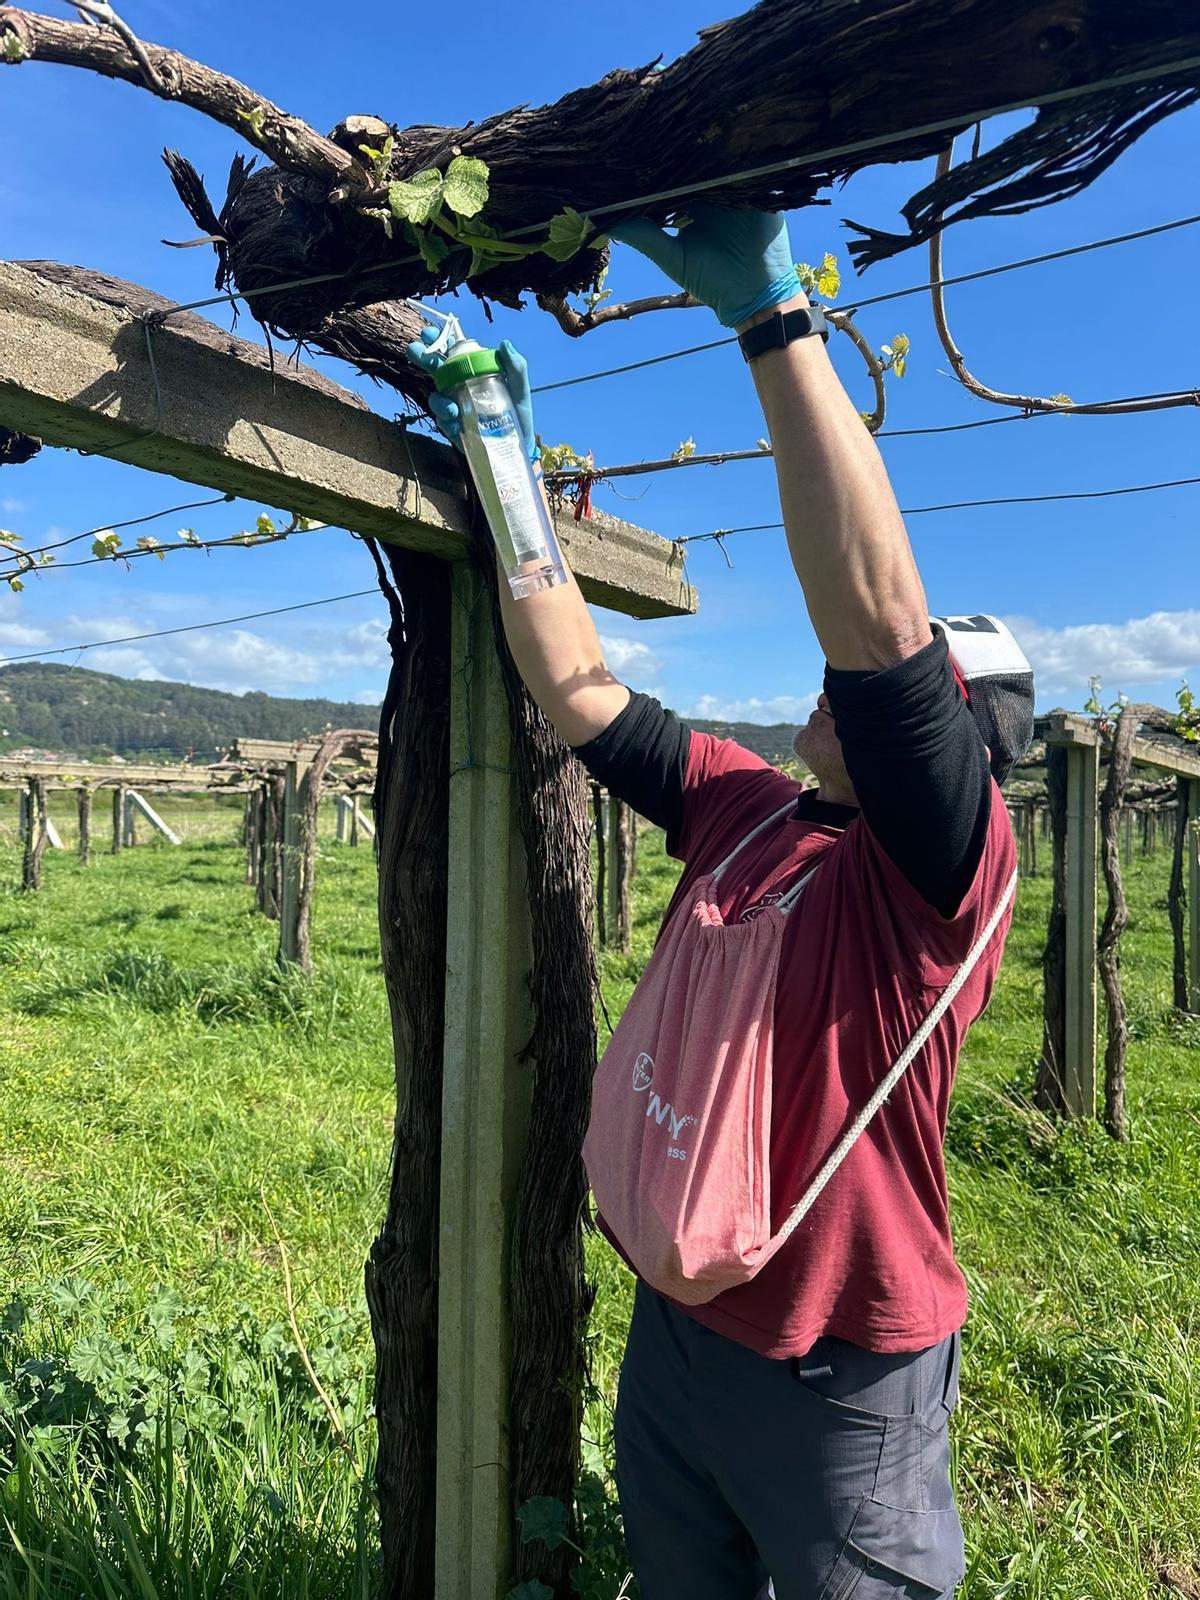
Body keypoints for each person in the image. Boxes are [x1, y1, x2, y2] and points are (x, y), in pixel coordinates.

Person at [410, 207, 1033, 1600]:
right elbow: (579, 693)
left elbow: (878, 636)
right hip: (684, 1319)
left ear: (954, 743)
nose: (840, 689)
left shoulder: (937, 875)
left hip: (835, 1367)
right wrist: (501, 455)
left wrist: (772, 319)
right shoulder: (749, 807)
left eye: (908, 693)